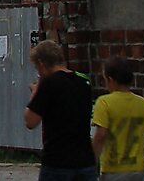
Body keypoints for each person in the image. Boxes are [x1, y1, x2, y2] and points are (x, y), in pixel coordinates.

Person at [25, 40, 97, 181]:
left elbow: (30, 121)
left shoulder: (48, 83)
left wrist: (35, 92)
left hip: (57, 162)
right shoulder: (83, 82)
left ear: (41, 63)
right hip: (85, 160)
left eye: (36, 67)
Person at [92, 56, 144, 181]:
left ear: (110, 80)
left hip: (113, 170)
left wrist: (91, 163)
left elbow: (100, 136)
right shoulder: (141, 102)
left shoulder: (104, 103)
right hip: (137, 169)